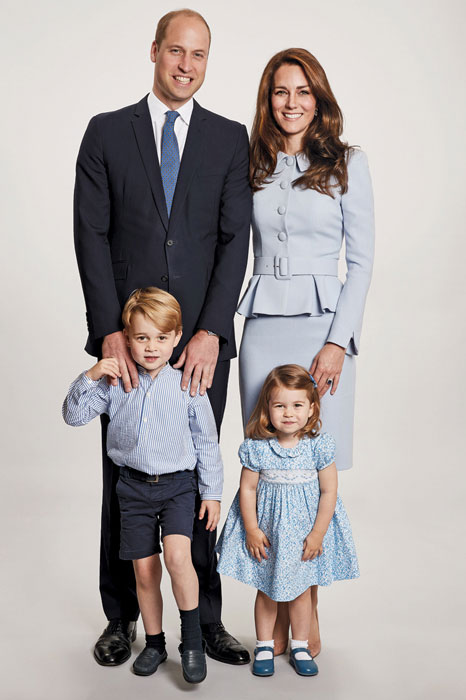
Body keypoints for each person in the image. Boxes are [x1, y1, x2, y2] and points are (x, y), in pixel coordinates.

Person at [73, 9, 251, 666]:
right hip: (130, 343)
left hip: (198, 348)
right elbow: (89, 235)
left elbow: (237, 241)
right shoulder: (106, 134)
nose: (186, 65)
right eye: (176, 51)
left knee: (197, 477)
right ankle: (122, 616)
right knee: (124, 477)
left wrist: (210, 331)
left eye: (199, 55)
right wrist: (108, 335)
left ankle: (203, 620)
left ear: (208, 61)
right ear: (155, 52)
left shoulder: (231, 140)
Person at [237, 48, 374, 656]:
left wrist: (337, 342)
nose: (290, 103)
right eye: (279, 92)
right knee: (269, 473)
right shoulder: (252, 163)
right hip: (264, 325)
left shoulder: (348, 163)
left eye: (302, 91)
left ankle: (308, 606)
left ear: (319, 98)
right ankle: (269, 616)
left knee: (314, 470)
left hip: (323, 328)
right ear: (268, 101)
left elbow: (363, 261)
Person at [63, 288, 223, 683]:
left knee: (177, 558)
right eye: (141, 338)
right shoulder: (117, 383)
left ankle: (192, 642)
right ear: (127, 338)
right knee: (145, 571)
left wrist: (213, 493)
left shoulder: (188, 385)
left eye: (161, 338)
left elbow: (207, 442)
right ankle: (154, 643)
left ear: (177, 336)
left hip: (178, 488)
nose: (151, 347)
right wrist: (91, 375)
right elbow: (72, 415)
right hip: (132, 488)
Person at [216, 365, 359, 677]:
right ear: (268, 409)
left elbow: (329, 490)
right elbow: (248, 489)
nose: (289, 413)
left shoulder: (318, 446)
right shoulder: (257, 447)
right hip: (270, 535)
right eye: (280, 405)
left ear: (311, 408)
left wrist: (319, 533)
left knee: (301, 591)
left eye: (297, 405)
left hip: (305, 536)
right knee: (266, 590)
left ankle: (300, 644)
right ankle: (265, 645)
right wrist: (252, 529)